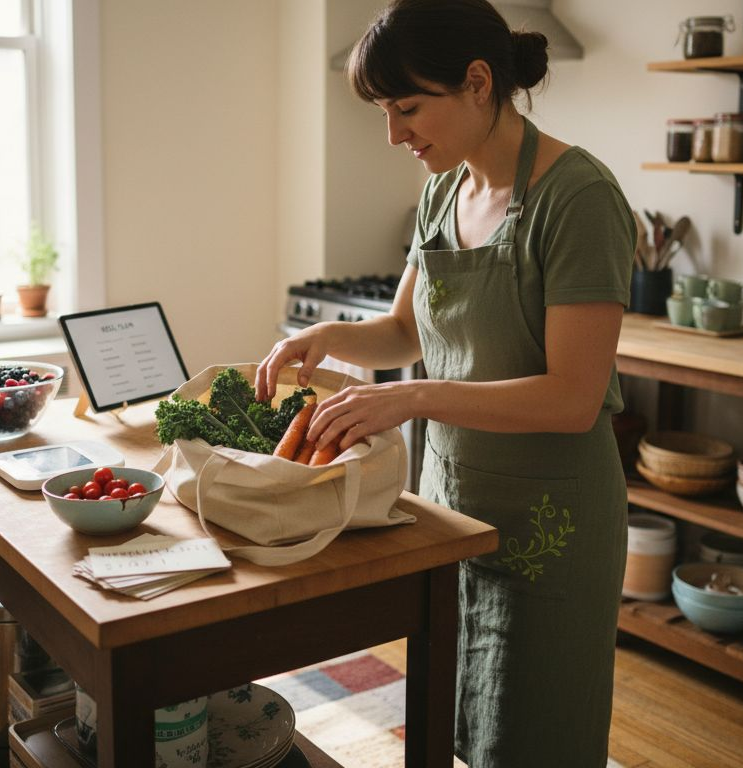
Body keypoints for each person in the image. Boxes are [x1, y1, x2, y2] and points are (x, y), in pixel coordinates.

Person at [254, 0, 635, 764]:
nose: (394, 134)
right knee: (458, 724)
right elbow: (406, 331)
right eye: (385, 112)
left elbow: (572, 397)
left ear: (478, 82)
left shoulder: (578, 198)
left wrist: (411, 395)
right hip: (450, 514)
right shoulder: (442, 194)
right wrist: (325, 337)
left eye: (407, 108)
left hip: (550, 529)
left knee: (534, 740)